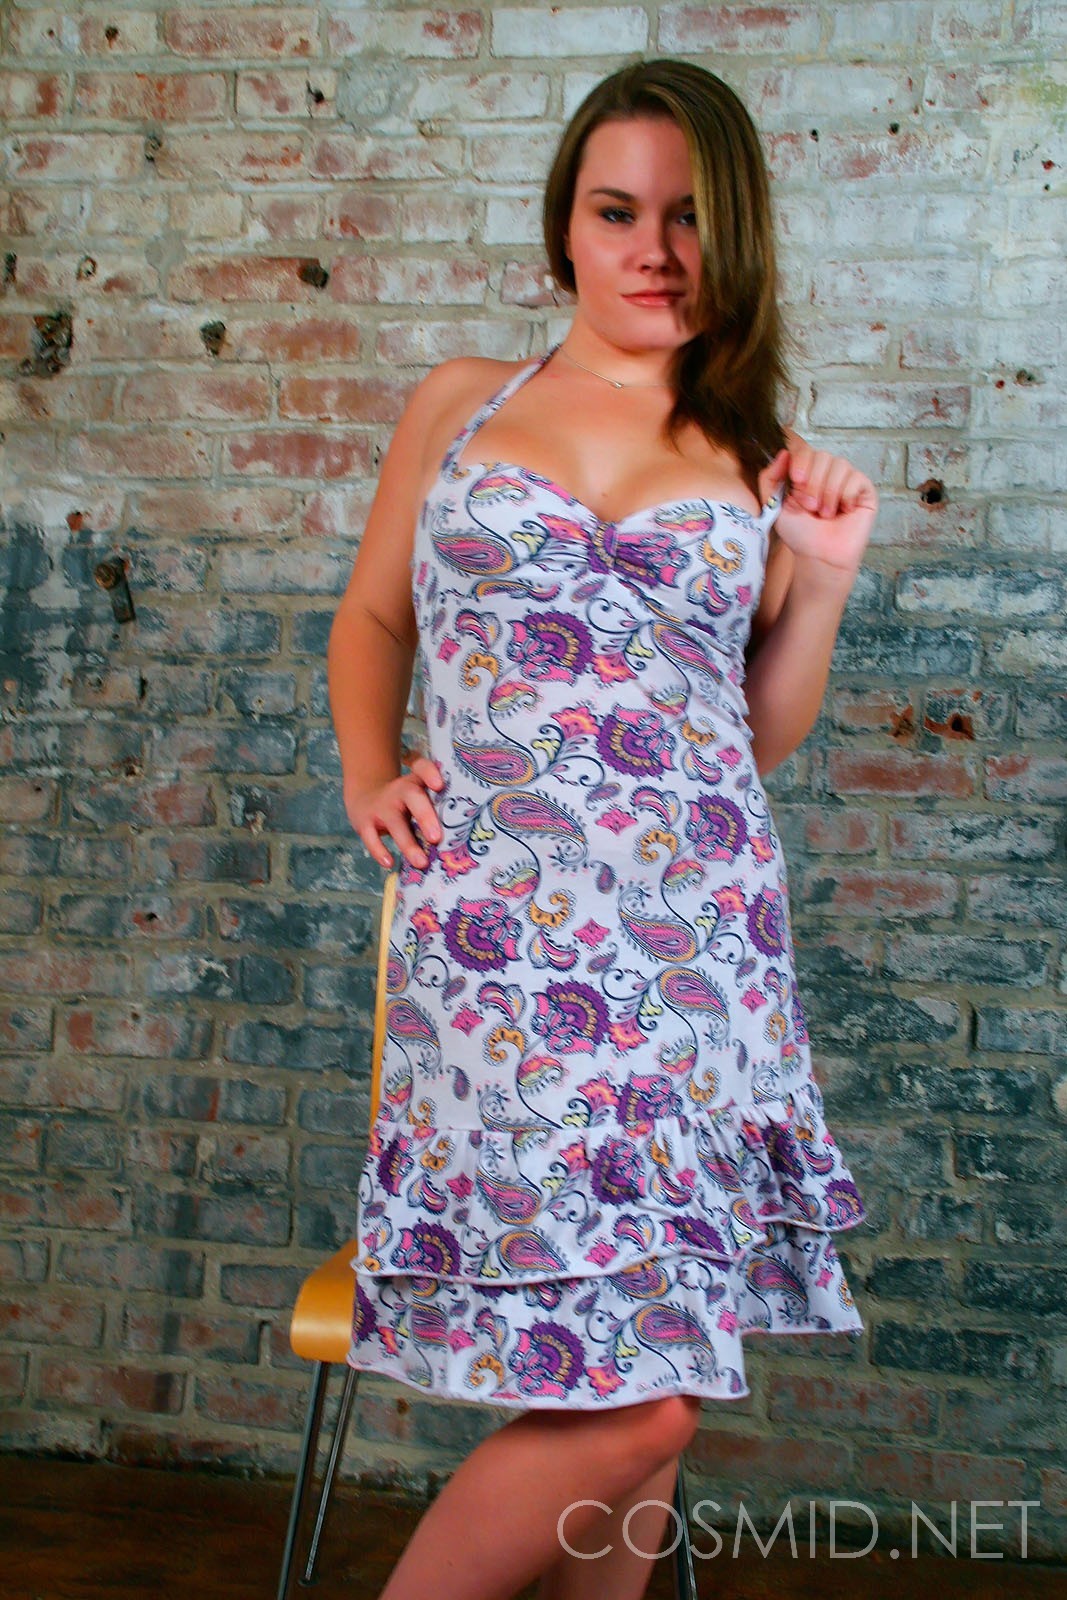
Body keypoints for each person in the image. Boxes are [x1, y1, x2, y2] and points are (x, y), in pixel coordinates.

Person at [327, 55, 878, 1600]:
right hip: (500, 949)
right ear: (564, 225)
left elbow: (752, 733)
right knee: (638, 1398)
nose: (654, 250)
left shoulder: (754, 454)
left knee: (648, 1381)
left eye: (690, 217)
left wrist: (826, 574)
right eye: (617, 211)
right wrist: (372, 771)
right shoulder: (461, 403)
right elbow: (374, 618)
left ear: (737, 232)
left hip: (694, 949)